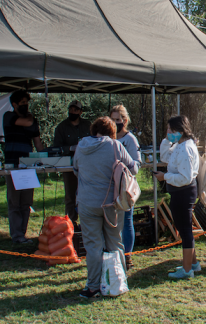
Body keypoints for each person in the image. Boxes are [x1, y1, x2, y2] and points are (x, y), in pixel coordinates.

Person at [73, 116, 137, 298]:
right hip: (111, 203)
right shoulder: (115, 146)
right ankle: (118, 281)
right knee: (115, 242)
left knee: (93, 246)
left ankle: (92, 286)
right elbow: (133, 168)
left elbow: (75, 169)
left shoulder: (81, 146)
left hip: (87, 203)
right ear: (112, 132)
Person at [153, 116, 200, 279]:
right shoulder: (180, 145)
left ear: (179, 131)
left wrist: (164, 177)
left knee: (185, 230)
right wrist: (167, 140)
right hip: (180, 191)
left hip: (183, 191)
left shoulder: (186, 148)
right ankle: (193, 264)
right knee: (184, 228)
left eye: (170, 131)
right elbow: (166, 157)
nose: (167, 133)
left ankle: (187, 271)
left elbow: (185, 178)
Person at [3, 90, 43, 244]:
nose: (26, 106)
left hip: (29, 165)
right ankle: (16, 235)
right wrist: (31, 117)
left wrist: (46, 157)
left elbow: (38, 142)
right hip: (13, 165)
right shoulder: (8, 116)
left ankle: (23, 234)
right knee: (14, 202)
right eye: (22, 103)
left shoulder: (33, 121)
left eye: (27, 103)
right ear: (14, 105)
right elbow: (26, 122)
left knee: (26, 202)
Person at [110, 105, 141, 270]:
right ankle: (114, 254)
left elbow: (137, 164)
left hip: (125, 186)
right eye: (112, 119)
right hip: (110, 186)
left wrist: (122, 165)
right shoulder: (108, 138)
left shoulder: (130, 139)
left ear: (125, 120)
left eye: (118, 119)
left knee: (127, 221)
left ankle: (127, 256)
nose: (115, 123)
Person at [53, 100, 92, 225]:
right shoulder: (62, 127)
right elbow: (56, 148)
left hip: (87, 165)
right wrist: (69, 148)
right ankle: (71, 223)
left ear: (80, 112)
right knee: (70, 195)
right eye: (71, 109)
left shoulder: (88, 125)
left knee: (88, 193)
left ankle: (87, 221)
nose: (72, 112)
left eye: (75, 110)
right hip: (69, 165)